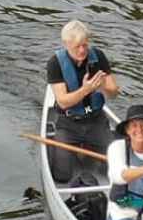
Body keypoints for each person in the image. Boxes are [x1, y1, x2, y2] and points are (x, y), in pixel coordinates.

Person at [44, 19, 117, 186]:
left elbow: (113, 93)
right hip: (69, 123)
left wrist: (103, 86)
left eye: (85, 45)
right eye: (77, 46)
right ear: (66, 44)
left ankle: (88, 149)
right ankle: (71, 148)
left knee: (115, 168)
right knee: (61, 175)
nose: (83, 50)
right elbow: (62, 102)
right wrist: (86, 89)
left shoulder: (97, 57)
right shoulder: (55, 63)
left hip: (96, 121)